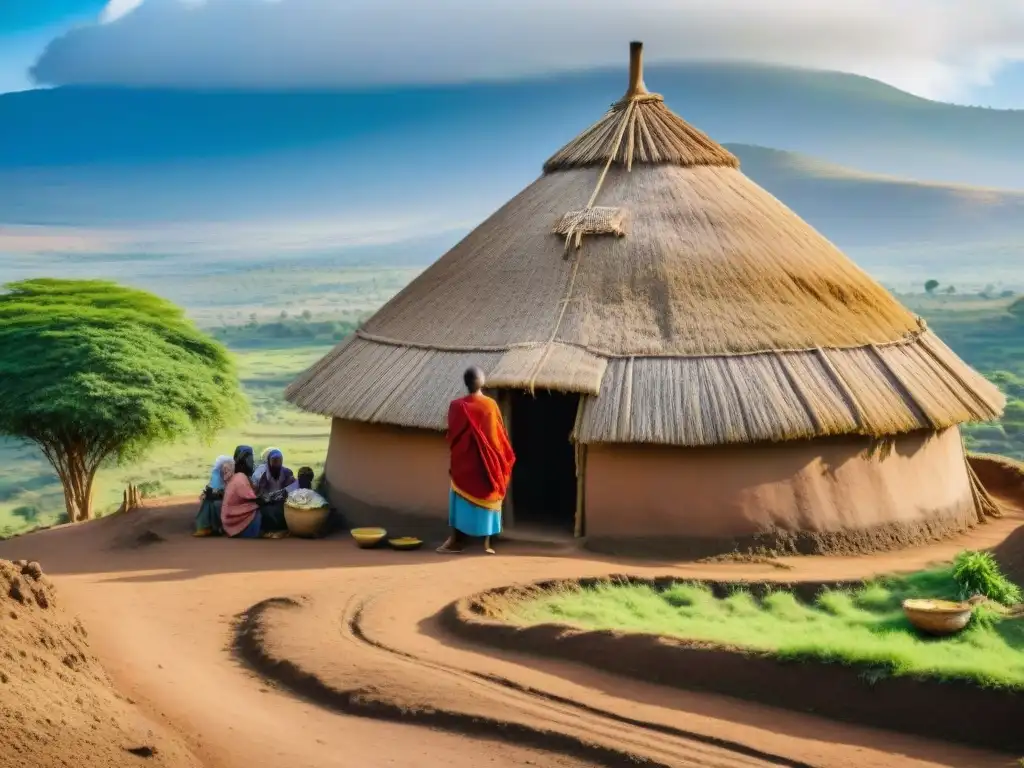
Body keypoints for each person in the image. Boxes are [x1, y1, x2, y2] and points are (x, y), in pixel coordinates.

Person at [438, 366, 515, 555]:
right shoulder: (491, 405)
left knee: (458, 492)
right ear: (483, 382)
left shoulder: (457, 406)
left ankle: (457, 540)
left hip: (465, 464)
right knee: (490, 488)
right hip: (488, 466)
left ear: (466, 383)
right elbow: (498, 436)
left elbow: (454, 434)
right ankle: (487, 542)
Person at [221, 445, 290, 539]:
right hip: (240, 521)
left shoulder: (241, 477)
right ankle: (268, 531)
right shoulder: (240, 478)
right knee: (271, 511)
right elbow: (257, 499)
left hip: (237, 517)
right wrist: (274, 496)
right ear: (244, 461)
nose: (252, 462)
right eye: (250, 459)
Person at [193, 455, 234, 537]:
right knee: (208, 501)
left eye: (227, 468)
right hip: (221, 499)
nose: (225, 470)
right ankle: (207, 527)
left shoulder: (235, 477)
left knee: (214, 503)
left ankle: (207, 527)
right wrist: (208, 493)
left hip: (233, 503)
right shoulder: (218, 476)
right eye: (223, 468)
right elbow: (214, 488)